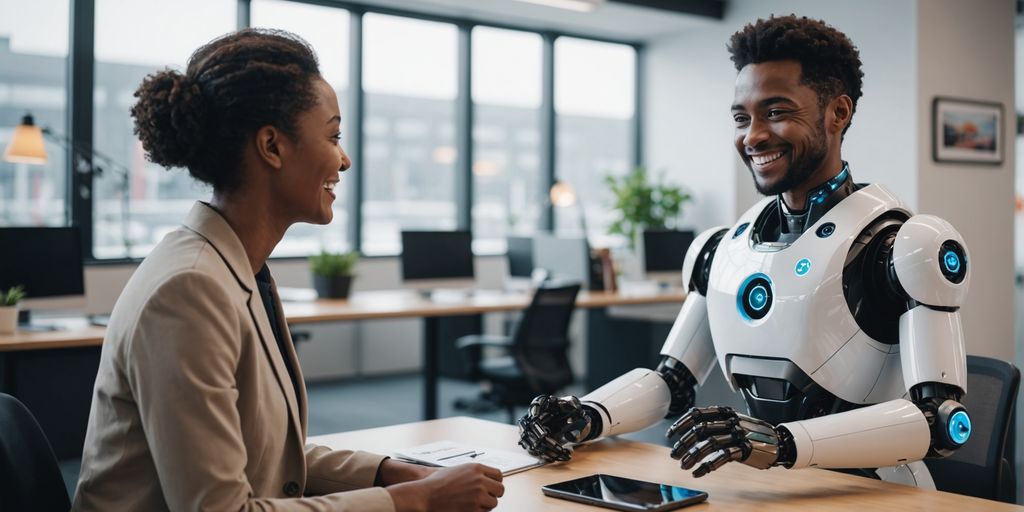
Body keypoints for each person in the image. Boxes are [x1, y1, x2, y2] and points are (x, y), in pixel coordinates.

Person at [518, 15, 972, 488]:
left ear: (838, 113)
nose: (753, 136)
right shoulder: (723, 248)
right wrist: (588, 414)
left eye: (776, 112)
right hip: (771, 486)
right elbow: (672, 383)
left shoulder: (902, 246)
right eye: (742, 117)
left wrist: (777, 443)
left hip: (878, 490)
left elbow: (938, 422)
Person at [72, 28, 503, 511]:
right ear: (272, 147)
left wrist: (386, 472)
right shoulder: (189, 289)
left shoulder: (235, 268)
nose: (345, 158)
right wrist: (410, 500)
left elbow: (266, 456)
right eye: (333, 135)